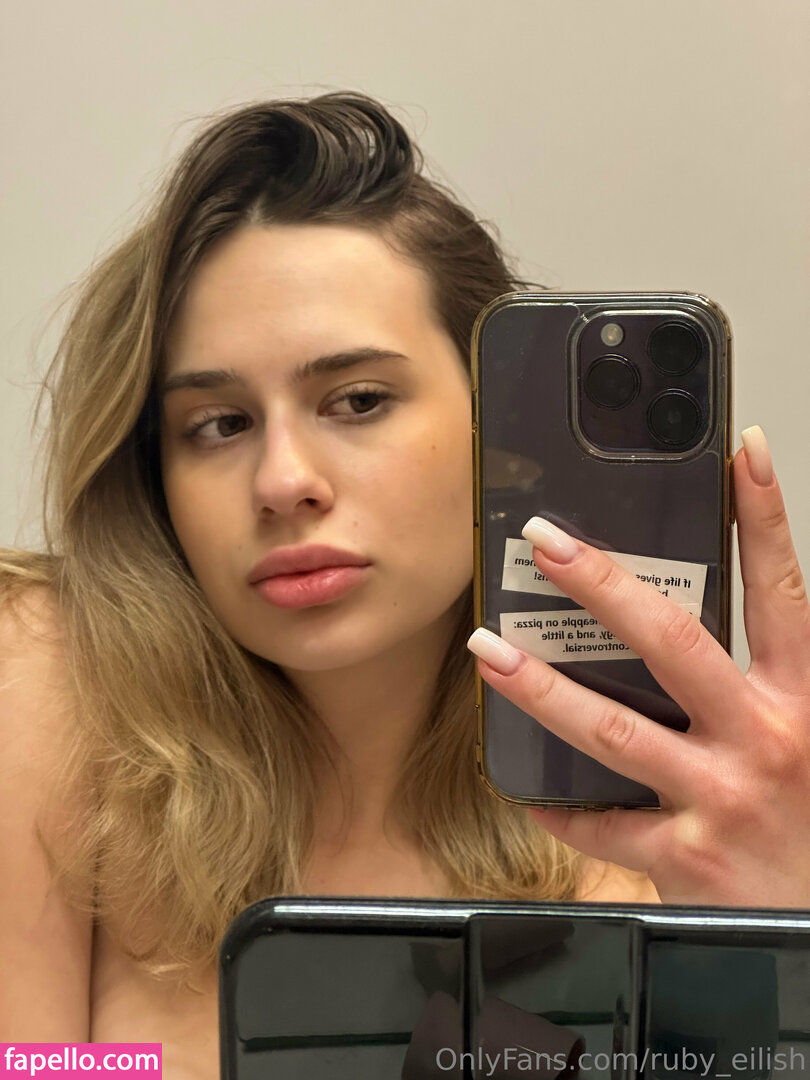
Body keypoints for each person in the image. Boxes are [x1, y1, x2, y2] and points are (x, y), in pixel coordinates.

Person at [1, 92, 807, 1071]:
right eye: (219, 423)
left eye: (357, 400)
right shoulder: (45, 678)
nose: (284, 482)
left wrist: (780, 952)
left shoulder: (666, 863)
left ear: (497, 430)